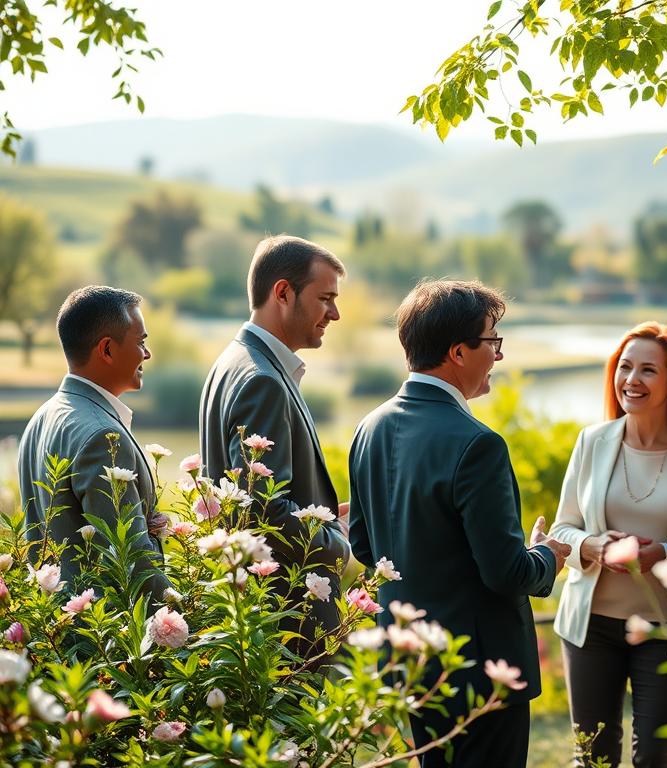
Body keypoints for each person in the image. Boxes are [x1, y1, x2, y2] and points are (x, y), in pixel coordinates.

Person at [348, 279, 570, 768]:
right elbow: (505, 572)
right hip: (479, 673)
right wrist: (548, 557)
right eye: (493, 342)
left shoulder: (369, 428)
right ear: (458, 352)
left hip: (409, 666)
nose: (499, 355)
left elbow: (366, 549)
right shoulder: (477, 444)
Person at [550, 321, 667, 768]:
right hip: (591, 628)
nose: (631, 380)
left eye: (648, 370)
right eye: (625, 367)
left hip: (666, 627)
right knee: (593, 755)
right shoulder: (592, 441)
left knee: (656, 758)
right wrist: (594, 546)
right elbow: (563, 528)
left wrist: (662, 554)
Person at [200, 235, 350, 656]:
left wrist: (318, 511)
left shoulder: (231, 362)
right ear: (283, 293)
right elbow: (261, 509)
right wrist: (337, 538)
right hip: (283, 625)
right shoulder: (262, 379)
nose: (335, 313)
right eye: (325, 298)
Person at [19, 286, 167, 601]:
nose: (147, 353)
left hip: (57, 633)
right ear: (107, 350)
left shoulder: (40, 419)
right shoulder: (101, 435)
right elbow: (129, 559)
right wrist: (183, 616)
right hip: (103, 638)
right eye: (141, 342)